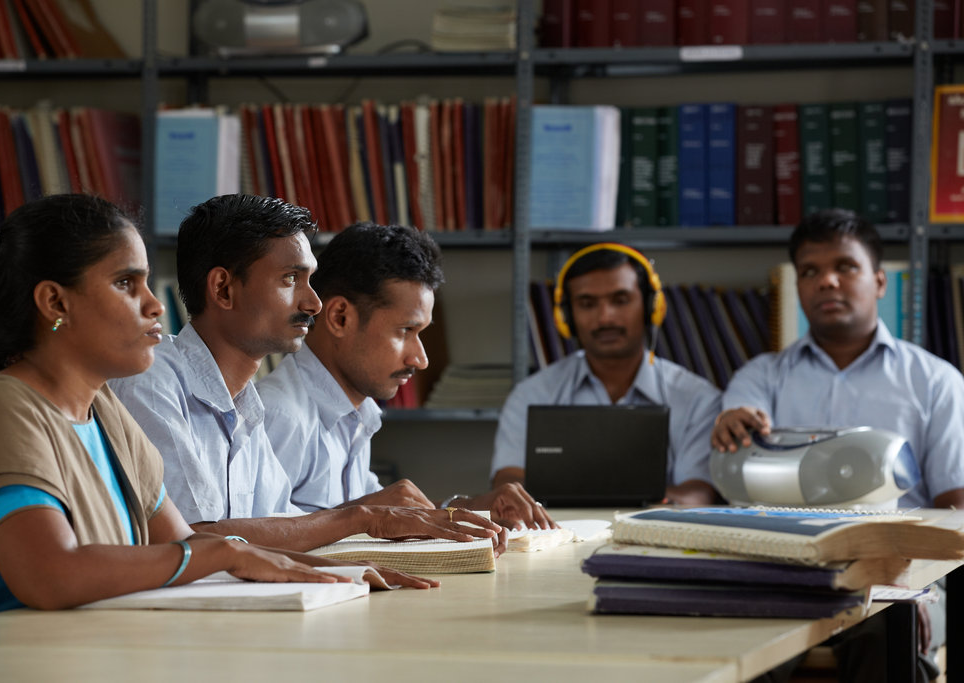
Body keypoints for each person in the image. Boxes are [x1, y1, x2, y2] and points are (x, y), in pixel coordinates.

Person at [0, 194, 344, 622]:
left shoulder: (105, 411)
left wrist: (346, 575)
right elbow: (51, 576)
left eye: (147, 283)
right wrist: (226, 554)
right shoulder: (6, 406)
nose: (155, 306)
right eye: (125, 284)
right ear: (56, 304)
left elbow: (181, 542)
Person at [109, 195, 504, 564]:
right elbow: (186, 543)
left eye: (309, 279)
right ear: (223, 289)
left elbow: (284, 530)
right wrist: (362, 518)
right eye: (289, 279)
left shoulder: (246, 408)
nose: (313, 303)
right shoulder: (151, 381)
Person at [712, 208, 964, 682]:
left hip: (897, 570)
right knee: (736, 649)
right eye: (810, 271)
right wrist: (732, 425)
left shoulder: (935, 382)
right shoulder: (761, 377)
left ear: (879, 281)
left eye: (844, 267)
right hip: (782, 568)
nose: (826, 281)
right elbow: (737, 440)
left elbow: (958, 506)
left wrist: (914, 574)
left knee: (888, 640)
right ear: (798, 287)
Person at [257, 222, 555, 529]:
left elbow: (380, 511)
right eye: (405, 331)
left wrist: (467, 506)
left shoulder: (353, 414)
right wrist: (365, 515)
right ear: (339, 317)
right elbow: (247, 541)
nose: (421, 359)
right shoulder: (280, 415)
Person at [489, 243, 722, 505]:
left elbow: (699, 494)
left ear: (650, 307)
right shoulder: (531, 394)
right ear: (566, 317)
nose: (605, 318)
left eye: (620, 300)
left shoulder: (699, 398)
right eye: (587, 304)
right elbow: (509, 484)